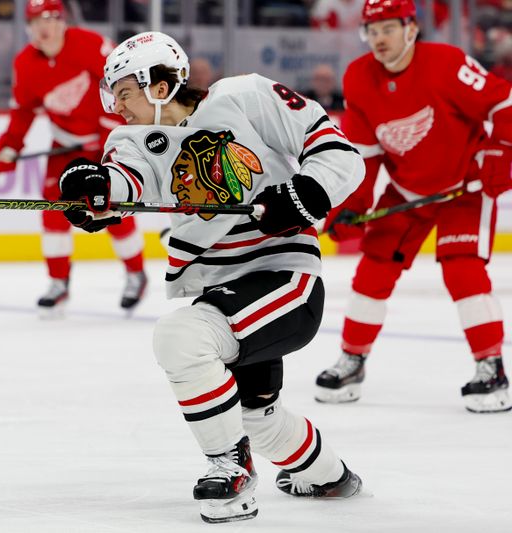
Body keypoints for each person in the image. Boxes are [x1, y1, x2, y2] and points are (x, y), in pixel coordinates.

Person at [57, 31, 365, 523]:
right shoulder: (134, 139)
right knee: (256, 420)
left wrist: (305, 192)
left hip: (284, 276)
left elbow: (335, 150)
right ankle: (332, 477)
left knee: (181, 336)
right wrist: (94, 189)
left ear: (159, 86)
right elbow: (126, 183)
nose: (117, 107)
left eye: (125, 93)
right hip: (225, 292)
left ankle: (230, 468)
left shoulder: (245, 95)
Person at [316, 0, 512, 413]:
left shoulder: (445, 62)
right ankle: (353, 359)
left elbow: (503, 103)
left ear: (411, 28)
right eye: (372, 30)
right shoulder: (357, 78)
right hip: (407, 191)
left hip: (465, 185)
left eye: (388, 28)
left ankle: (490, 368)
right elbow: (366, 155)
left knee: (462, 269)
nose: (379, 39)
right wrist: (353, 204)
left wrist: (499, 152)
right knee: (373, 269)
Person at [0, 0, 147, 316]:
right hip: (65, 145)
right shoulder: (26, 63)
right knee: (53, 208)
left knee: (108, 208)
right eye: (35, 22)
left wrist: (112, 135)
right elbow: (23, 111)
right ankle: (58, 283)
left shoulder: (90, 46)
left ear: (63, 21)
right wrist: (8, 148)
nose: (43, 28)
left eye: (50, 19)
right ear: (28, 28)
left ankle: (135, 273)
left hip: (104, 142)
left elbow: (123, 88)